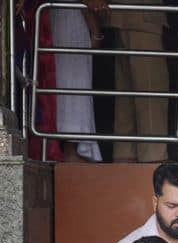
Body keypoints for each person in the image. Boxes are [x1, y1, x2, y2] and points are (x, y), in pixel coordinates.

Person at [86, 0, 169, 162]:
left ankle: (125, 156)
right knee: (151, 91)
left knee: (127, 94)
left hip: (126, 13)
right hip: (141, 13)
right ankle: (153, 159)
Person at [50, 0, 102, 161]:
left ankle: (69, 153)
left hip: (57, 18)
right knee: (74, 90)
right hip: (71, 20)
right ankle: (71, 155)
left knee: (65, 89)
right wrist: (96, 32)